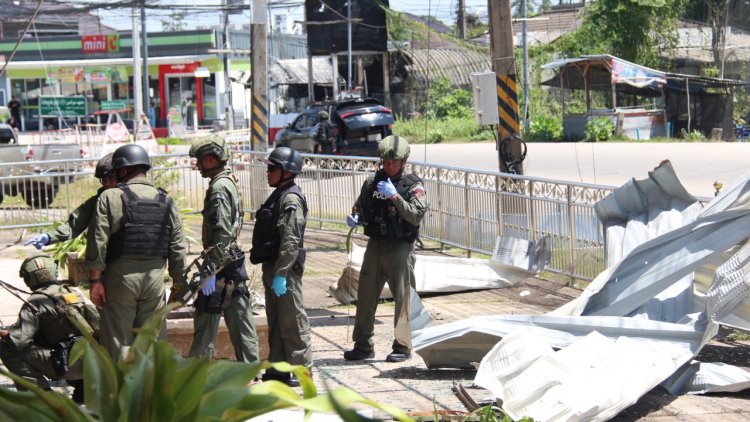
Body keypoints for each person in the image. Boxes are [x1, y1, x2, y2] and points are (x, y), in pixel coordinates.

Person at [84, 144, 187, 360]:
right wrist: (177, 283)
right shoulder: (166, 200)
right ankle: (151, 391)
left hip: (120, 279)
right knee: (152, 342)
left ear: (122, 170)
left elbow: (98, 242)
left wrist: (95, 282)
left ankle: (123, 391)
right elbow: (177, 246)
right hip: (155, 279)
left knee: (119, 343)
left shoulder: (110, 197)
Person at [343, 135, 428, 363]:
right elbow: (361, 206)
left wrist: (395, 196)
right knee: (366, 295)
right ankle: (362, 344)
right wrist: (355, 217)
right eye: (386, 162)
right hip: (375, 245)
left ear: (403, 161)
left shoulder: (413, 186)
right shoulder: (372, 182)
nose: (390, 166)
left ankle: (402, 345)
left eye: (395, 162)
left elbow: (415, 215)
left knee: (403, 298)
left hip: (400, 247)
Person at [184, 134, 259, 365]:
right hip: (229, 263)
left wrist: (209, 273)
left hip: (221, 264)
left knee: (206, 323)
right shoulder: (229, 181)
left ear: (210, 160)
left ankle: (194, 378)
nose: (197, 166)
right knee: (240, 321)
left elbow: (222, 233)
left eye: (199, 160)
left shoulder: (218, 187)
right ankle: (251, 370)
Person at [0, 254, 100, 403]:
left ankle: (42, 398)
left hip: (69, 365)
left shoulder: (34, 302)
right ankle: (83, 388)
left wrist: (4, 332)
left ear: (28, 278)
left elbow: (18, 341)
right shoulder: (73, 292)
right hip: (96, 361)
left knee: (7, 348)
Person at [251, 146, 312, 387]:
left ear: (287, 172)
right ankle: (278, 369)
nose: (268, 172)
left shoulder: (290, 199)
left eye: (272, 168)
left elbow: (290, 240)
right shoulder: (279, 194)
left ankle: (302, 371)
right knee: (276, 321)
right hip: (273, 268)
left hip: (284, 271)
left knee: (293, 322)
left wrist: (282, 273)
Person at [26, 153, 118, 250]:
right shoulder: (98, 201)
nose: (107, 183)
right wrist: (49, 237)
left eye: (111, 179)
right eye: (104, 180)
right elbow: (75, 224)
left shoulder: (131, 197)